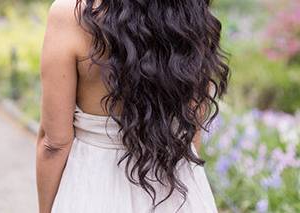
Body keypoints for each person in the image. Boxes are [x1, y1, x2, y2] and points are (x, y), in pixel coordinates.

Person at [35, 0, 229, 212]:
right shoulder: (189, 14)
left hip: (94, 189)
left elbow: (54, 144)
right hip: (177, 191)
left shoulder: (71, 16)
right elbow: (192, 128)